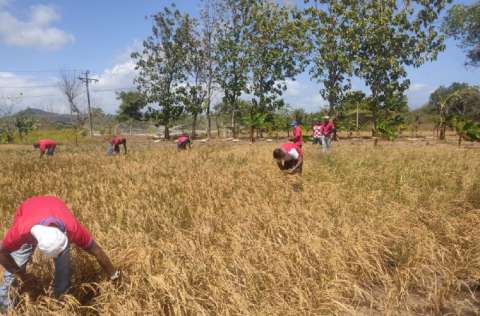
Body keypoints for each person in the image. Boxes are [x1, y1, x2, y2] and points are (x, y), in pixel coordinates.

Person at [0, 196, 119, 313]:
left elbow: (97, 250)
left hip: (55, 205)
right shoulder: (21, 232)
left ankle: (61, 304)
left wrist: (114, 275)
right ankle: (6, 307)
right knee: (13, 271)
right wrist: (22, 275)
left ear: (63, 235)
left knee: (63, 272)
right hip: (29, 208)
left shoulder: (72, 229)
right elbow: (2, 253)